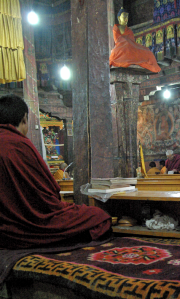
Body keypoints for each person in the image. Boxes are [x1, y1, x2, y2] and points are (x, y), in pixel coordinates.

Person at [0, 94, 112, 249]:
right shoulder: (19, 145)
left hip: (4, 229)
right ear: (24, 119)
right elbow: (50, 192)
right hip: (35, 221)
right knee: (99, 217)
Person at [109, 8, 161, 73]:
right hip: (121, 47)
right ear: (119, 18)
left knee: (147, 51)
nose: (126, 19)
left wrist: (129, 44)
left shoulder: (129, 30)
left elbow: (132, 41)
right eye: (124, 16)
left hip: (130, 47)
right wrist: (126, 43)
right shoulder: (116, 28)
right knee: (116, 53)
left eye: (127, 16)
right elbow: (118, 40)